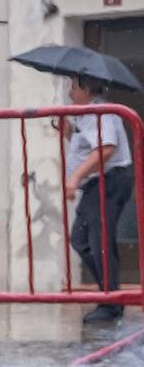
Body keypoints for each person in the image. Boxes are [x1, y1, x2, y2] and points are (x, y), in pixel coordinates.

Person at [64, 76, 135, 324]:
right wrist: (69, 132)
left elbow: (106, 149)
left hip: (109, 181)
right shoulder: (87, 115)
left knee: (98, 241)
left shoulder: (100, 112)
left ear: (86, 89)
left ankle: (110, 302)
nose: (69, 93)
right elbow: (89, 147)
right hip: (98, 184)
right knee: (82, 239)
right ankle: (110, 297)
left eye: (73, 87)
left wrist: (75, 178)